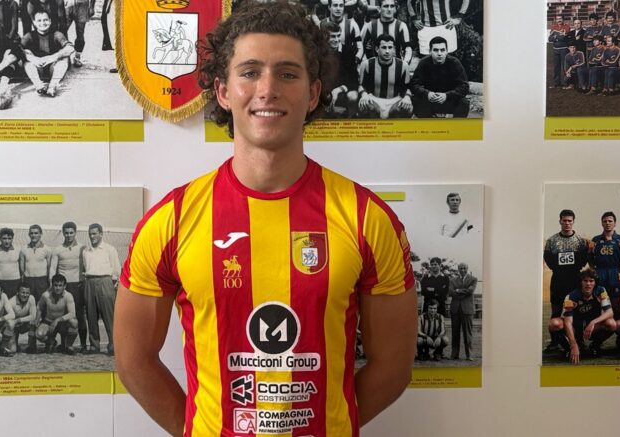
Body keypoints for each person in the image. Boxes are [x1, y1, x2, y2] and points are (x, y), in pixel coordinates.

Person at [114, 2, 417, 435]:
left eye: (288, 74)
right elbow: (133, 361)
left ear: (313, 93)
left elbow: (393, 367)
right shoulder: (171, 220)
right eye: (250, 72)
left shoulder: (368, 218)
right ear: (223, 91)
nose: (268, 89)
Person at [543, 209, 588, 351]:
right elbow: (547, 258)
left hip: (575, 280)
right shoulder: (552, 241)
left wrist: (573, 268)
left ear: (573, 222)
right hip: (558, 280)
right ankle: (555, 342)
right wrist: (559, 268)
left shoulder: (580, 241)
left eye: (569, 221)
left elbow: (583, 259)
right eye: (564, 220)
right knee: (556, 311)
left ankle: (579, 340)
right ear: (560, 221)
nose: (567, 223)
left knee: (577, 312)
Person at [549, 269, 615, 364]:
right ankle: (569, 348)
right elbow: (568, 322)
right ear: (581, 282)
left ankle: (595, 345)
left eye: (591, 281)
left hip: (592, 327)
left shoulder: (601, 291)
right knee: (554, 324)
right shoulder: (571, 297)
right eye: (585, 281)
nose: (588, 284)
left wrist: (593, 322)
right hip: (575, 327)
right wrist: (573, 345)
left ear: (595, 282)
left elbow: (609, 312)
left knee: (611, 324)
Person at [50, 221, 87, 353]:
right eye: (66, 233)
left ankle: (83, 344)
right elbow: (52, 268)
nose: (69, 235)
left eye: (71, 232)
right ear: (63, 233)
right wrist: (52, 285)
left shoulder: (82, 248)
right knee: (62, 314)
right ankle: (62, 344)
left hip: (78, 285)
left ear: (75, 233)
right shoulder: (57, 249)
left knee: (80, 315)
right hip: (63, 287)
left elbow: (87, 266)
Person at [81, 223, 118, 355]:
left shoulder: (110, 249)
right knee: (91, 316)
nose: (92, 236)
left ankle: (113, 345)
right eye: (90, 234)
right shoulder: (86, 251)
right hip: (90, 282)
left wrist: (110, 284)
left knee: (109, 316)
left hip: (105, 281)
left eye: (94, 233)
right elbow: (85, 267)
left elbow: (116, 269)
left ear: (101, 234)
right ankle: (94, 345)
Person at [410, 36, 469, 118]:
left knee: (464, 103)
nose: (439, 53)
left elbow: (464, 86)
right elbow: (414, 85)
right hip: (429, 101)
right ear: (430, 51)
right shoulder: (424, 63)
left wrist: (447, 95)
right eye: (435, 50)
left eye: (442, 50)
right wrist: (427, 94)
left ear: (447, 51)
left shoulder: (454, 63)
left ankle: (456, 125)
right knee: (416, 100)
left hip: (448, 100)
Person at [357, 33, 413, 119]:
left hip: (395, 100)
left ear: (394, 49)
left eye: (390, 47)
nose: (387, 51)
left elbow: (407, 87)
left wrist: (407, 97)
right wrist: (364, 94)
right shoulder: (367, 64)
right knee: (364, 107)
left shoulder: (403, 65)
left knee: (407, 108)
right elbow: (361, 85)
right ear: (377, 49)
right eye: (384, 47)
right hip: (374, 99)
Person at [20, 10, 74, 97]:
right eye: (39, 20)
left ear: (50, 21)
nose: (42, 23)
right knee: (26, 53)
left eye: (45, 20)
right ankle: (39, 86)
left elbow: (71, 48)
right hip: (37, 69)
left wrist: (53, 57)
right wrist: (32, 58)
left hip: (53, 69)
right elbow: (17, 49)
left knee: (65, 57)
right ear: (34, 22)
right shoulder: (29, 35)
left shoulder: (56, 34)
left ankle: (52, 87)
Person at [589, 212, 620, 321]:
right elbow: (589, 257)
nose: (607, 223)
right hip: (600, 273)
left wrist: (618, 269)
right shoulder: (595, 240)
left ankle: (618, 330)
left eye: (610, 221)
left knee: (616, 306)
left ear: (615, 223)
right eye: (605, 221)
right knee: (598, 305)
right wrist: (594, 270)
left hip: (615, 274)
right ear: (602, 223)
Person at [323, 21, 360, 117]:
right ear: (324, 36)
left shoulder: (348, 51)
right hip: (325, 90)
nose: (336, 40)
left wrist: (337, 90)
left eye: (338, 36)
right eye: (333, 36)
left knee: (353, 96)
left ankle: (351, 119)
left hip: (343, 89)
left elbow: (353, 79)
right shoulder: (320, 52)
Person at [34, 274, 77, 354]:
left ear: (64, 286)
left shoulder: (68, 296)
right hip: (49, 322)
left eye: (60, 285)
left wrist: (57, 320)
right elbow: (39, 307)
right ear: (52, 285)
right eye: (55, 285)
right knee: (39, 334)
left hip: (62, 323)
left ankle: (68, 345)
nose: (57, 288)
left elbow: (72, 313)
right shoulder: (46, 295)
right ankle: (51, 341)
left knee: (74, 323)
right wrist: (37, 319)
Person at [360, 0, 411, 64]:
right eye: (386, 6)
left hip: (395, 67)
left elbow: (408, 48)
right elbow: (360, 47)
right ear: (379, 9)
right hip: (374, 67)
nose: (389, 9)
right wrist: (365, 63)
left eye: (392, 6)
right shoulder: (370, 26)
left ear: (395, 9)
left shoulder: (401, 26)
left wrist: (405, 63)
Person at [448, 262, 475, 360]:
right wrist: (464, 292)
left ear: (467, 268)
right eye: (461, 268)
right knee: (455, 333)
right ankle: (454, 354)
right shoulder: (452, 280)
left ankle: (469, 355)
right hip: (455, 309)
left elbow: (470, 291)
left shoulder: (473, 279)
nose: (463, 270)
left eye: (464, 268)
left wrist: (458, 290)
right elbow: (451, 292)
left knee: (467, 333)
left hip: (467, 310)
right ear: (458, 269)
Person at [19, 224, 51, 302]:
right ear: (29, 234)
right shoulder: (23, 249)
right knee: (28, 302)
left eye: (36, 233)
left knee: (42, 302)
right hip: (28, 280)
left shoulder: (47, 249)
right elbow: (22, 268)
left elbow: (49, 267)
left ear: (41, 234)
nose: (33, 235)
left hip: (42, 281)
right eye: (31, 233)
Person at [0, 227, 21, 298]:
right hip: (0, 281)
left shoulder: (18, 250)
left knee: (14, 302)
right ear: (0, 239)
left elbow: (21, 268)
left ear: (12, 239)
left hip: (15, 281)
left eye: (9, 238)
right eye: (4, 238)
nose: (7, 241)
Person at [9, 281, 37, 353]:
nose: (25, 295)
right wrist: (15, 322)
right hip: (14, 326)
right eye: (23, 292)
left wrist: (18, 320)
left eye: (27, 293)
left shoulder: (31, 298)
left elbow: (33, 316)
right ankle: (14, 342)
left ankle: (31, 346)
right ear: (17, 292)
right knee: (13, 350)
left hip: (24, 323)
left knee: (33, 322)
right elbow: (9, 320)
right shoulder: (11, 302)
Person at [64, 0, 91, 66]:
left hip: (83, 5)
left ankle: (77, 58)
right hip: (68, 3)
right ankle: (64, 58)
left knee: (80, 33)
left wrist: (92, 7)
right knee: (63, 31)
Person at [548, 14, 570, 89]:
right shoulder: (553, 27)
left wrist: (555, 36)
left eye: (560, 18)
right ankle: (556, 83)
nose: (559, 20)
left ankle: (566, 83)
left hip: (564, 49)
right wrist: (558, 37)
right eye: (557, 19)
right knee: (556, 67)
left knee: (565, 66)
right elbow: (550, 39)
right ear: (556, 20)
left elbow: (563, 37)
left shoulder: (566, 26)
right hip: (555, 50)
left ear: (563, 19)